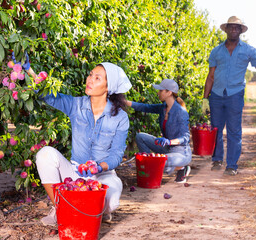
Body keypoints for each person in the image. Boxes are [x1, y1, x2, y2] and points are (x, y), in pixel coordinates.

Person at [24, 62, 131, 225]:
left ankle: (96, 211)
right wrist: (29, 70)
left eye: (97, 78)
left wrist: (99, 167)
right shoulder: (77, 105)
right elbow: (49, 95)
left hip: (103, 175)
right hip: (74, 173)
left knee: (112, 202)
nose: (90, 80)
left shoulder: (120, 118)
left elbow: (116, 155)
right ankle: (60, 208)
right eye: (90, 75)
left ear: (109, 87)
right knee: (44, 154)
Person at [202, 16, 256, 176]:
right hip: (217, 95)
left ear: (240, 30)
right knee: (216, 129)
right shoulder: (216, 51)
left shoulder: (249, 50)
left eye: (236, 27)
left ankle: (232, 165)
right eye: (231, 27)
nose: (233, 30)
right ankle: (217, 159)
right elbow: (210, 76)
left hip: (235, 95)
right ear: (226, 29)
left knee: (234, 131)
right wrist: (205, 98)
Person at [126, 79, 192, 183]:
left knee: (159, 163)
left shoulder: (181, 112)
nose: (158, 93)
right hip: (167, 148)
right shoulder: (163, 108)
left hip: (181, 152)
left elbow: (185, 138)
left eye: (161, 90)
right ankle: (148, 165)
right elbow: (145, 107)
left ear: (169, 92)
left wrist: (169, 141)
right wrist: (125, 102)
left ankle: (182, 168)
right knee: (140, 137)